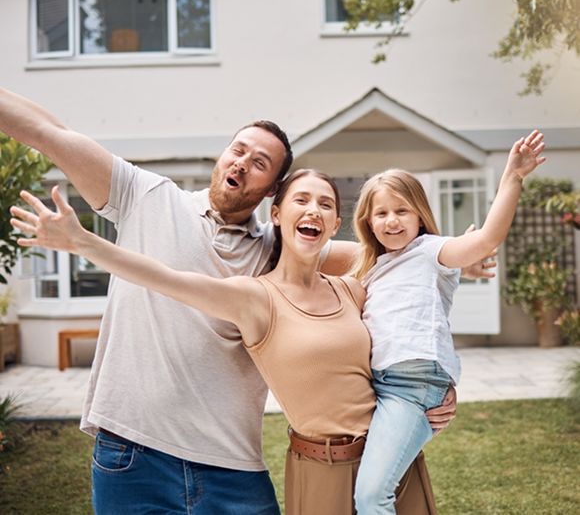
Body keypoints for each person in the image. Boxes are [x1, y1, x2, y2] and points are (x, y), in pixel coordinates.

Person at [0, 86, 474, 513]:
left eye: (260, 162)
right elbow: (50, 133)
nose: (242, 162)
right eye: (238, 149)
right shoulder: (145, 195)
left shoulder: (278, 246)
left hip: (231, 465)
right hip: (132, 452)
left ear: (271, 192)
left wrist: (450, 259)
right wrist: (83, 241)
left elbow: (388, 258)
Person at [350, 131, 546, 514]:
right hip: (383, 386)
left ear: (420, 215)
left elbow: (487, 238)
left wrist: (512, 177)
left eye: (402, 210)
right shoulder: (371, 268)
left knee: (372, 497)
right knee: (371, 488)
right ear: (368, 222)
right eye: (382, 212)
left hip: (414, 385)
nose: (392, 220)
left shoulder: (430, 251)